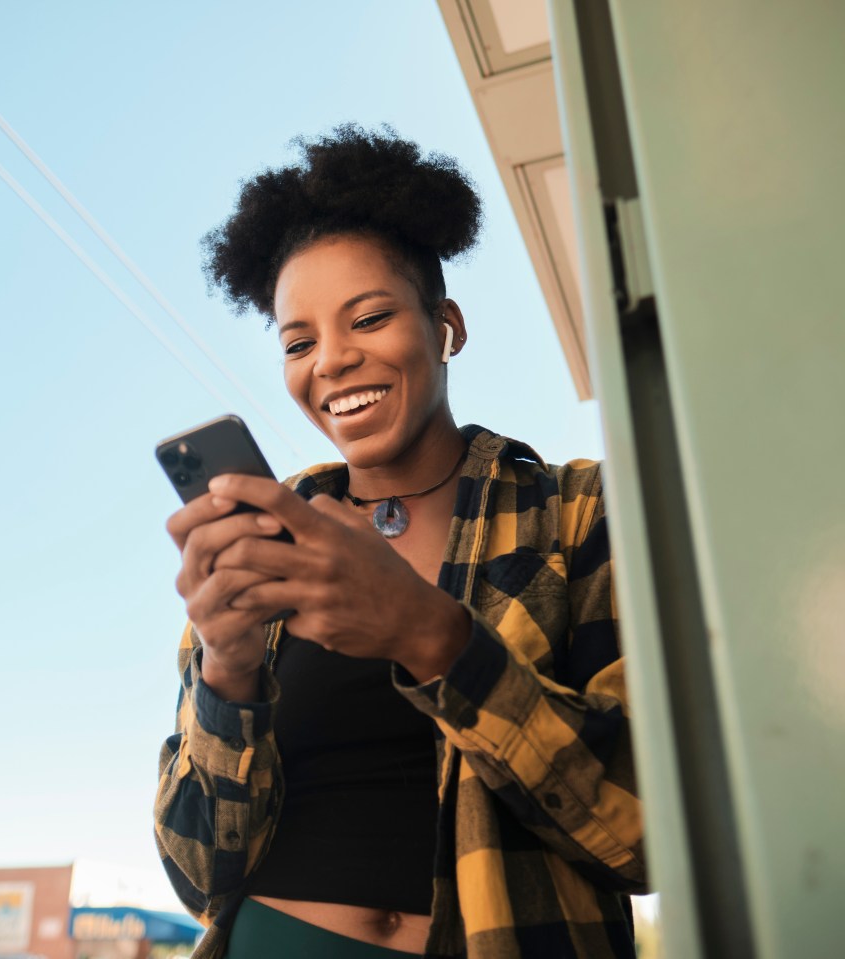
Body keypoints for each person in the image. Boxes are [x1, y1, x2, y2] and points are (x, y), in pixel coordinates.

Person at [154, 125, 644, 959]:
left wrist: (428, 634)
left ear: (446, 324)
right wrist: (226, 671)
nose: (334, 362)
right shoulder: (270, 539)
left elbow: (642, 827)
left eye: (370, 317)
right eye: (299, 342)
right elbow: (201, 873)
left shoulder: (581, 511)